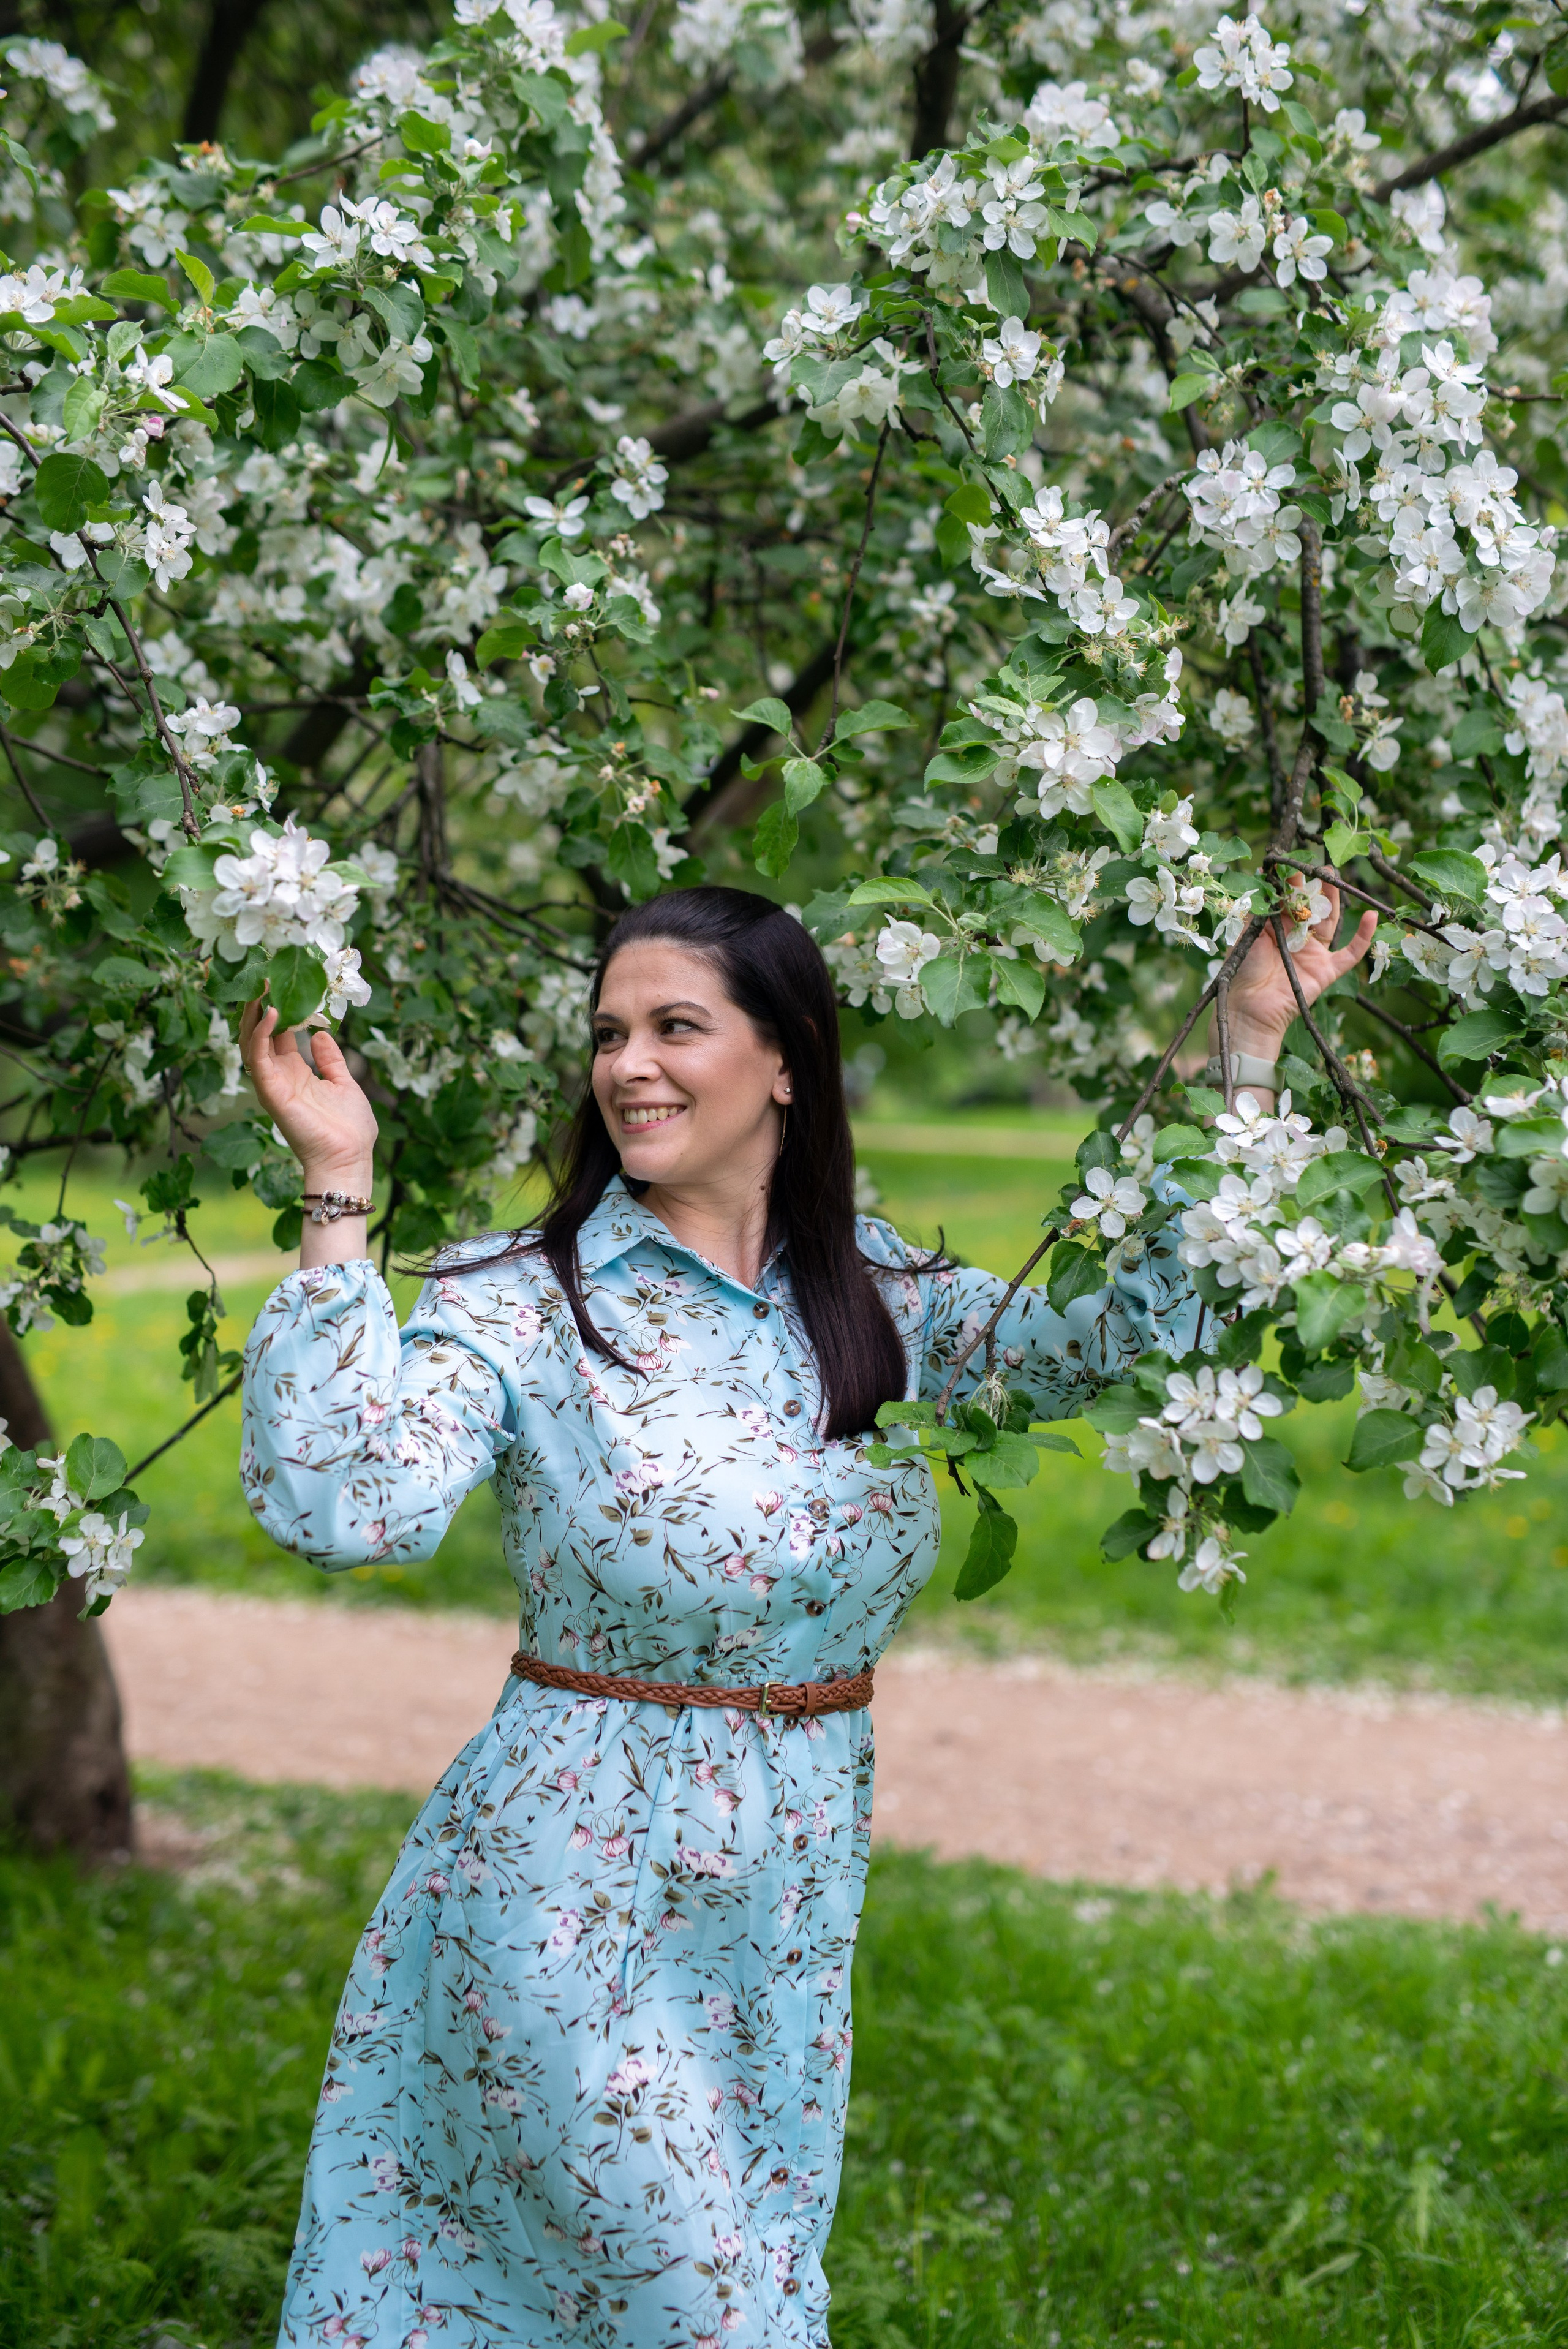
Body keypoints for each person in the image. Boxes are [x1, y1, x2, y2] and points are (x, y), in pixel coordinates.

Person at [239, 881, 1373, 2347]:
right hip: (565, 1877)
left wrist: (1244, 1047)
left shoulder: (881, 1297)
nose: (627, 1063)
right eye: (608, 1033)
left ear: (785, 1057)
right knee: (712, 2306)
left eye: (673, 1027)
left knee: (726, 2272)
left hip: (786, 1890)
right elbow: (345, 1505)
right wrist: (338, 1182)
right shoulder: (521, 1298)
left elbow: (1141, 1344)